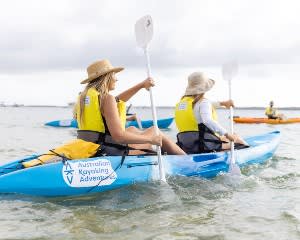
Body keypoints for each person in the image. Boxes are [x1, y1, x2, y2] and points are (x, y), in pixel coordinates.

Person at [76, 59, 186, 156]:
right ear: (107, 77)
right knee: (154, 131)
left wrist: (141, 85)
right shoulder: (106, 98)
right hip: (107, 150)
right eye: (114, 75)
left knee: (132, 129)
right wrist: (151, 139)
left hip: (91, 148)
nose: (116, 79)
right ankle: (187, 161)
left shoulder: (84, 98)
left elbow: (118, 100)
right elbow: (119, 136)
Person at [174, 71, 248, 154]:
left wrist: (223, 103)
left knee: (222, 138)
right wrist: (228, 134)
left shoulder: (182, 103)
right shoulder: (203, 102)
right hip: (202, 145)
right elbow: (207, 120)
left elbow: (203, 106)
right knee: (238, 139)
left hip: (186, 144)